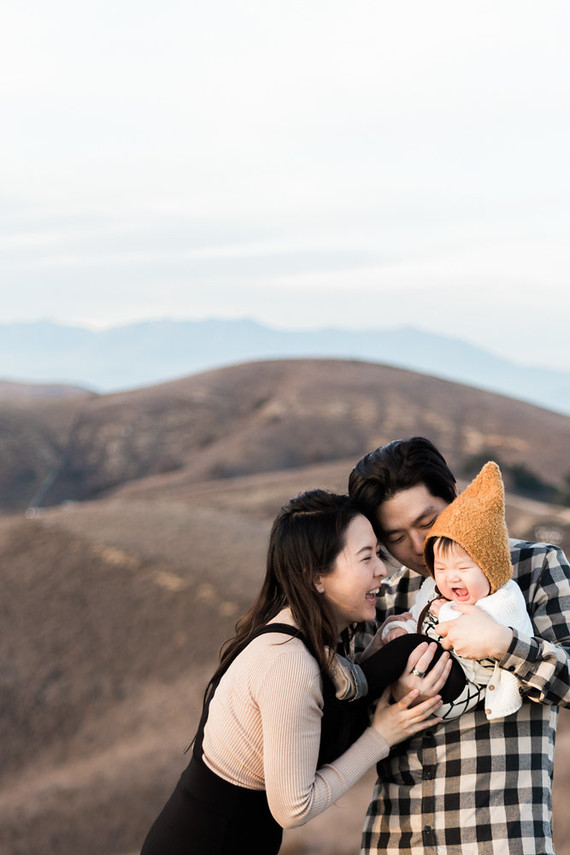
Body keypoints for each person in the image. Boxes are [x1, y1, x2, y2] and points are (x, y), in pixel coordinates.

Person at [139, 489, 448, 855]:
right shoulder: (288, 663)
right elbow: (292, 808)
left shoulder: (304, 642)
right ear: (316, 576)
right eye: (367, 558)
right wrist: (382, 736)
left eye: (378, 554)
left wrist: (379, 649)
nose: (382, 569)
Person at [349, 437, 570, 855]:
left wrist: (505, 644)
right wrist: (388, 699)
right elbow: (347, 721)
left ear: (455, 495)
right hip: (394, 839)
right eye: (395, 537)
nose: (417, 547)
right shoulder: (385, 596)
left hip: (498, 839)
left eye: (427, 522)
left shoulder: (537, 566)